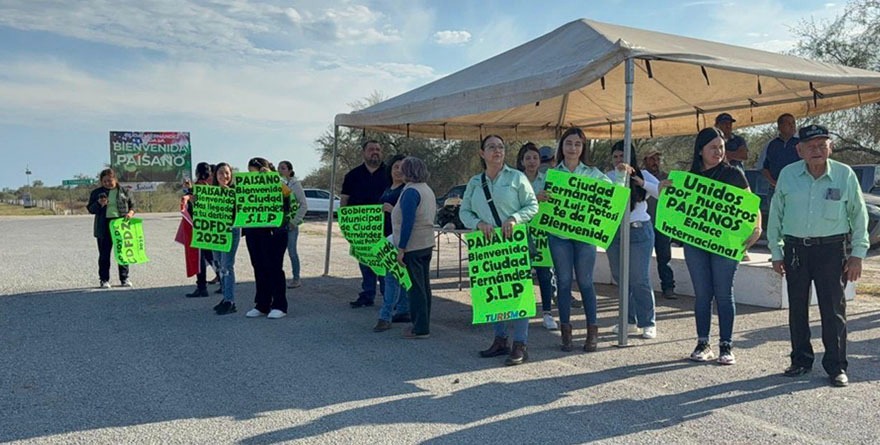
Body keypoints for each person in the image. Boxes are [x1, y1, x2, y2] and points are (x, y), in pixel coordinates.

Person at [767, 124, 869, 387]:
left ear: (830, 147)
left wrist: (857, 254)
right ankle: (800, 360)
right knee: (797, 308)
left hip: (832, 251)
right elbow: (775, 215)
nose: (817, 150)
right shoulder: (788, 175)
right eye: (810, 146)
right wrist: (776, 253)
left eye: (822, 144)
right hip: (796, 250)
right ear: (799, 150)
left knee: (833, 310)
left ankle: (836, 366)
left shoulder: (844, 175)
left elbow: (859, 217)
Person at [671, 127, 762, 365]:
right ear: (700, 150)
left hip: (726, 244)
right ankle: (703, 343)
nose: (718, 152)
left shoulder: (734, 174)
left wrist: (756, 230)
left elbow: (751, 207)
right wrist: (663, 188)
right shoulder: (688, 178)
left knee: (723, 293)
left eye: (721, 147)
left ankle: (726, 345)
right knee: (702, 294)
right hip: (695, 243)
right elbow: (674, 205)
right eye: (712, 147)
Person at [462, 135, 538, 365]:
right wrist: (478, 224)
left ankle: (520, 344)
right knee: (494, 292)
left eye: (501, 147)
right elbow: (464, 211)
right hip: (488, 246)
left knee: (517, 294)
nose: (497, 151)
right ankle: (500, 339)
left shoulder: (517, 177)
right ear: (482, 153)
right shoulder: (475, 182)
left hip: (513, 244)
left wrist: (515, 218)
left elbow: (532, 205)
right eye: (492, 147)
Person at [544, 128, 611, 353]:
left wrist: (621, 175)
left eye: (578, 144)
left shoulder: (593, 173)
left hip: (584, 236)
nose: (573, 148)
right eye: (569, 143)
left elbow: (612, 196)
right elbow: (534, 200)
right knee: (563, 282)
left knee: (585, 282)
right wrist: (539, 195)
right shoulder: (551, 174)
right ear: (562, 147)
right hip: (559, 236)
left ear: (583, 148)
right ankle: (566, 333)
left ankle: (592, 333)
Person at [606, 141, 660, 339]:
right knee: (621, 278)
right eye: (616, 157)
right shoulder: (609, 177)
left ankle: (648, 321)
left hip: (638, 231)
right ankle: (628, 321)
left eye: (623, 156)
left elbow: (662, 192)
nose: (619, 161)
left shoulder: (643, 175)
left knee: (639, 278)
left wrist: (641, 182)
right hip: (616, 233)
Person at [391, 156, 437, 339]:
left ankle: (420, 328)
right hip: (426, 242)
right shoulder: (426, 189)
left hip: (413, 245)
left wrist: (401, 248)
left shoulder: (410, 192)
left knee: (415, 289)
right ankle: (423, 321)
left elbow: (407, 222)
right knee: (424, 286)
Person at [341, 140, 390, 308]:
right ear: (364, 153)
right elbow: (344, 200)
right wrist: (346, 224)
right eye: (371, 149)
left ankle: (388, 296)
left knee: (384, 263)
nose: (375, 152)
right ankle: (367, 294)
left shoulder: (390, 173)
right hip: (361, 229)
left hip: (386, 228)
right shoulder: (352, 175)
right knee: (365, 262)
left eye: (378, 149)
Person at [515, 142, 558, 330]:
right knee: (521, 273)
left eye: (535, 157)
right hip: (522, 231)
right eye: (528, 158)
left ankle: (547, 313)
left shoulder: (547, 178)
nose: (532, 161)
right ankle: (520, 310)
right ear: (522, 161)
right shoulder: (515, 181)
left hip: (542, 232)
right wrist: (534, 198)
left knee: (544, 274)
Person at [243, 157, 291, 319]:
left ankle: (279, 305)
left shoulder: (280, 182)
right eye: (250, 173)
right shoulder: (247, 187)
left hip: (274, 232)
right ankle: (262, 304)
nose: (254, 177)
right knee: (259, 267)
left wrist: (272, 177)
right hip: (253, 231)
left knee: (274, 268)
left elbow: (287, 194)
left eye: (256, 172)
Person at [374, 154, 412, 332]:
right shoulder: (388, 188)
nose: (398, 171)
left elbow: (410, 215)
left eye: (402, 167)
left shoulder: (407, 190)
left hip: (398, 239)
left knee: (390, 279)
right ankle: (403, 309)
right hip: (385, 237)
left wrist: (393, 210)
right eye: (395, 167)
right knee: (399, 277)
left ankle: (385, 315)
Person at [87, 168, 135, 288]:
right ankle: (104, 279)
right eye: (105, 181)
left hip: (121, 224)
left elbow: (133, 205)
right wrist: (99, 204)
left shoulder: (125, 191)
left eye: (110, 180)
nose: (108, 183)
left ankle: (124, 278)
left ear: (115, 179)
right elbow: (91, 209)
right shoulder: (97, 193)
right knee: (104, 255)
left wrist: (130, 213)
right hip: (104, 226)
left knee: (122, 253)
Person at [643, 149, 676, 298]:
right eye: (652, 159)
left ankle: (668, 287)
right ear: (645, 161)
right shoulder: (641, 177)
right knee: (642, 260)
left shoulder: (667, 178)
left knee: (664, 258)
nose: (655, 162)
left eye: (657, 159)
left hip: (662, 224)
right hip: (645, 224)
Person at [211, 162, 241, 315]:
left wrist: (229, 193)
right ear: (215, 176)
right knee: (218, 265)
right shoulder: (211, 192)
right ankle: (225, 297)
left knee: (227, 266)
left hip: (231, 231)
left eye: (227, 173)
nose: (224, 176)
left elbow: (242, 209)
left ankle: (230, 301)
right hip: (216, 233)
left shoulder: (236, 191)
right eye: (220, 173)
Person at [183, 162, 215, 298]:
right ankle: (221, 280)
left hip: (198, 224)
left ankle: (201, 286)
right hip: (209, 224)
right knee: (209, 254)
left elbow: (195, 203)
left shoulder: (198, 187)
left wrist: (189, 191)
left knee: (200, 256)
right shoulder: (211, 185)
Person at [278, 160, 308, 289]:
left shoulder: (296, 185)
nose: (280, 170)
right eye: (279, 168)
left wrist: (294, 222)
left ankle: (296, 278)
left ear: (290, 170)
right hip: (279, 223)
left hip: (290, 225)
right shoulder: (277, 183)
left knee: (292, 252)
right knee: (278, 252)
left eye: (283, 168)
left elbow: (303, 205)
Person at [760, 114, 800, 194]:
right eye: (788, 123)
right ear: (779, 126)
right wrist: (774, 183)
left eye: (793, 123)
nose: (792, 126)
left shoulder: (801, 143)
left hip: (797, 187)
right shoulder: (771, 144)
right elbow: (763, 168)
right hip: (775, 189)